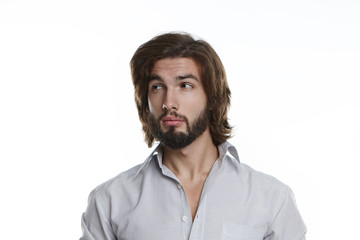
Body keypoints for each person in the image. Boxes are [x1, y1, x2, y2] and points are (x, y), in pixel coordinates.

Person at [80, 32, 307, 240]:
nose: (169, 103)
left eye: (185, 85)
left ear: (213, 98)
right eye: (157, 87)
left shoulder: (271, 199)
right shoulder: (109, 202)